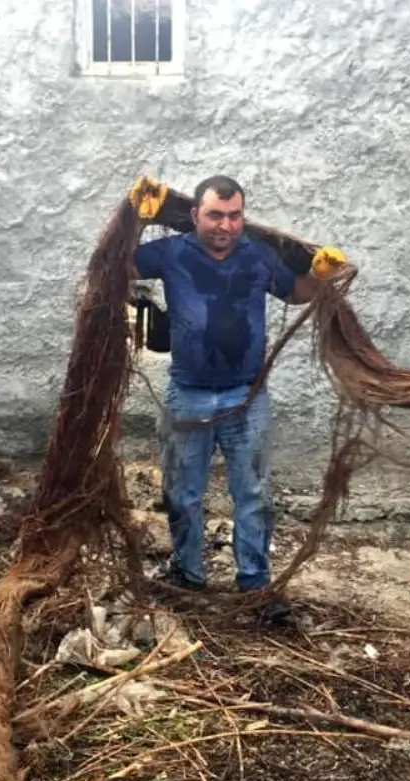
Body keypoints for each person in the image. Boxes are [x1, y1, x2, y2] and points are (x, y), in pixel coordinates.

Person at [127, 174, 344, 623]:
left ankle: (254, 586)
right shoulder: (172, 253)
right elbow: (119, 265)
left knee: (253, 495)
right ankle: (188, 574)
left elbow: (296, 292)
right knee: (182, 493)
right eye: (215, 215)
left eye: (234, 215)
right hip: (187, 395)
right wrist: (135, 218)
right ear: (194, 215)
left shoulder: (258, 255)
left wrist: (319, 276)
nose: (225, 225)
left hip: (246, 396)